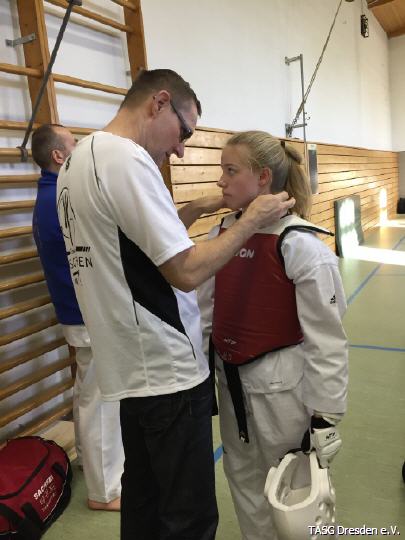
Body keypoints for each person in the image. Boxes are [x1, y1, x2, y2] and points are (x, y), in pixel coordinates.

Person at [56, 69, 295, 540]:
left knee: (144, 505)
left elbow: (128, 244)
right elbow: (185, 271)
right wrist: (250, 220)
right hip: (167, 370)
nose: (182, 149)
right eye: (184, 132)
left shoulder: (80, 160)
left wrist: (193, 209)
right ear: (159, 103)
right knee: (188, 518)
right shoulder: (127, 160)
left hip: (132, 368)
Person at [198, 130, 349, 540]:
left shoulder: (300, 245)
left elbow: (327, 341)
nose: (221, 181)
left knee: (293, 490)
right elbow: (205, 313)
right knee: (243, 478)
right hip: (231, 382)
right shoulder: (221, 235)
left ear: (263, 177)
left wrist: (325, 414)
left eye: (231, 171)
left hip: (284, 390)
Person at [31, 124, 124, 511]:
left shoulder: (51, 195)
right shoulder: (60, 197)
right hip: (85, 312)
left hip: (79, 311)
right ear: (58, 156)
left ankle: (91, 462)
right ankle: (105, 492)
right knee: (101, 399)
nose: (80, 148)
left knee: (89, 391)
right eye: (73, 144)